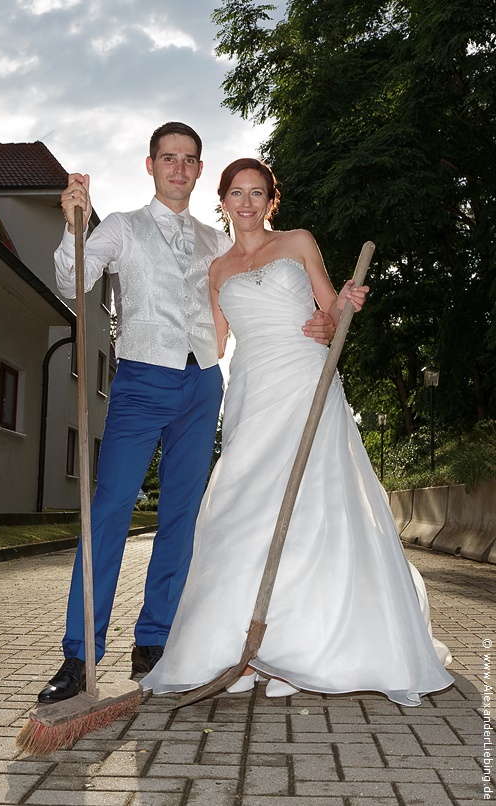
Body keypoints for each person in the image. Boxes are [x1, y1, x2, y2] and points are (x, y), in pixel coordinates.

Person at [141, 158, 454, 706]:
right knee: (243, 510)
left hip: (308, 380)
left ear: (270, 200)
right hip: (253, 392)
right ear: (224, 200)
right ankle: (237, 650)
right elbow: (212, 346)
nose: (246, 203)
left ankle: (298, 651)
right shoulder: (216, 271)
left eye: (256, 193)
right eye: (236, 193)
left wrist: (338, 312)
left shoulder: (298, 242)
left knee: (314, 507)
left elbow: (328, 311)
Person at [38, 127, 335, 703]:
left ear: (201, 172)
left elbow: (261, 300)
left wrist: (319, 319)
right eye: (168, 158)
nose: (179, 167)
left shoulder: (213, 242)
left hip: (202, 384)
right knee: (108, 511)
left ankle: (154, 639)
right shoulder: (121, 225)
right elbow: (72, 281)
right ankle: (80, 654)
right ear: (150, 165)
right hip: (142, 379)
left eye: (190, 160)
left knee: (182, 517)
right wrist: (74, 224)